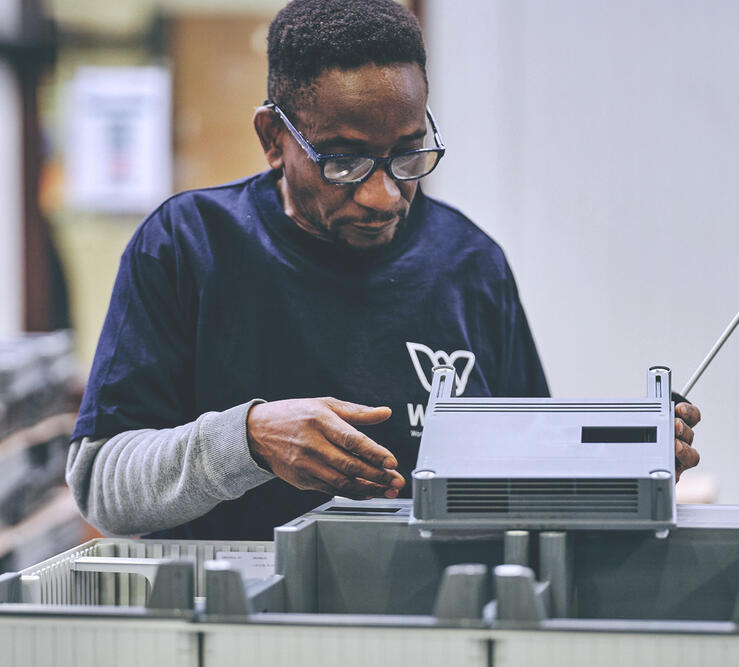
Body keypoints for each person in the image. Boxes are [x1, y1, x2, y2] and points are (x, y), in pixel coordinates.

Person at [66, 0, 701, 541]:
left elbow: (524, 484)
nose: (384, 196)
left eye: (407, 154)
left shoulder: (470, 263)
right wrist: (250, 441)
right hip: (240, 624)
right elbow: (101, 487)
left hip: (429, 623)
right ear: (272, 137)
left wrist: (620, 466)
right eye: (342, 161)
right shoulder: (188, 245)